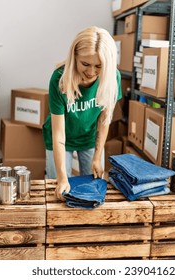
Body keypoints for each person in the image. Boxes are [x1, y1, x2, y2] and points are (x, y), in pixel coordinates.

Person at [42, 26, 122, 201]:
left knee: (92, 186)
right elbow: (58, 134)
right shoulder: (59, 79)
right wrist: (62, 178)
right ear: (74, 58)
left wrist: (97, 157)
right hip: (60, 139)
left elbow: (104, 120)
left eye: (98, 66)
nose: (91, 72)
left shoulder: (112, 77)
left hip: (89, 137)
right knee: (59, 189)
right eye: (85, 64)